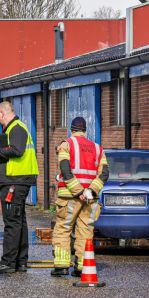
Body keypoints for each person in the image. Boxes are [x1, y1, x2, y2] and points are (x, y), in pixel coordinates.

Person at [52, 117, 109, 277]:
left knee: (63, 228)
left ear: (72, 130)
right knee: (85, 230)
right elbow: (104, 174)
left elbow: (65, 169)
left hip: (70, 197)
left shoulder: (66, 145)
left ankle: (62, 266)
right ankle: (82, 266)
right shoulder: (98, 149)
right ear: (85, 131)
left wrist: (78, 191)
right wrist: (89, 191)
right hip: (90, 199)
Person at [0, 102, 39, 274]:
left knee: (11, 222)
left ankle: (8, 262)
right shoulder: (15, 128)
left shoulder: (16, 128)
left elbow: (17, 150)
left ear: (2, 113)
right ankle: (20, 261)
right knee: (19, 221)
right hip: (17, 180)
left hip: (14, 182)